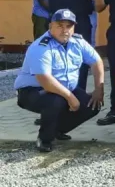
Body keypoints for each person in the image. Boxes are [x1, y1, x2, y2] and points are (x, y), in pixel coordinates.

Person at [14, 9, 105, 152]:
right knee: (57, 101)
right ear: (50, 26)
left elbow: (96, 61)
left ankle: (56, 130)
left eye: (69, 26)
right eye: (60, 25)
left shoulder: (77, 42)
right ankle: (44, 139)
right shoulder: (41, 47)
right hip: (33, 91)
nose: (65, 30)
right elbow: (45, 80)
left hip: (63, 88)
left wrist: (99, 89)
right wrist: (70, 97)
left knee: (93, 105)